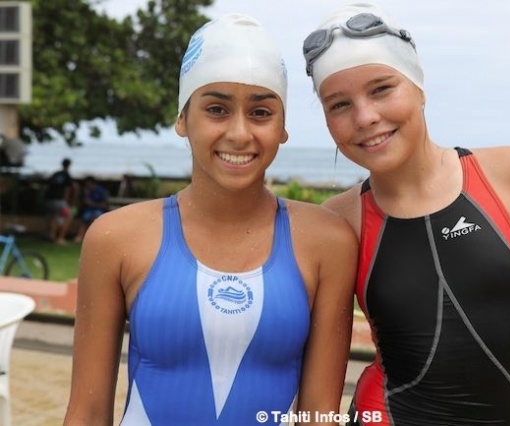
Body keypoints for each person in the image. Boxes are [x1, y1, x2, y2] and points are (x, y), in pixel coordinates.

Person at [302, 3, 510, 425]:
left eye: (382, 89)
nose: (365, 117)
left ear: (418, 86)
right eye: (339, 105)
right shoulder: (337, 222)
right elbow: (314, 389)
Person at [64, 14, 357, 426]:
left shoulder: (326, 242)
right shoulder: (117, 238)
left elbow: (320, 416)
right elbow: (87, 413)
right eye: (217, 109)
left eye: (261, 112)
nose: (239, 133)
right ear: (182, 119)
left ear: (283, 128)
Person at [44, 157, 73, 244]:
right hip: (60, 200)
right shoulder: (66, 175)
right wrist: (66, 201)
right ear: (69, 165)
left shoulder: (56, 174)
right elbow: (67, 189)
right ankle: (61, 238)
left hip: (50, 200)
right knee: (69, 216)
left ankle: (52, 235)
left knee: (54, 217)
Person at [73, 176, 109, 243]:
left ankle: (93, 237)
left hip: (99, 209)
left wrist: (93, 204)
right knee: (85, 218)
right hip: (89, 209)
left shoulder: (100, 190)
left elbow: (104, 204)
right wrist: (86, 195)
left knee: (95, 218)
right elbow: (86, 202)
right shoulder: (88, 191)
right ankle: (80, 236)